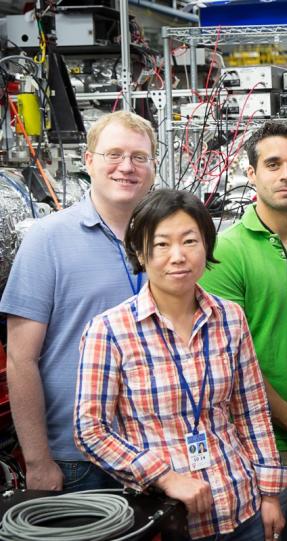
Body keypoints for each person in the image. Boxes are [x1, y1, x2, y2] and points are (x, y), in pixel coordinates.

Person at [75, 189, 287, 540]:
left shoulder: (230, 318)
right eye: (161, 245)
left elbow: (251, 410)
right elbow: (91, 430)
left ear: (206, 247)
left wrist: (269, 494)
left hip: (242, 507)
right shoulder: (110, 330)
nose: (178, 256)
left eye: (190, 241)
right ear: (141, 254)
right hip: (169, 519)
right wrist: (164, 476)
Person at [198, 121, 287, 540]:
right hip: (265, 444)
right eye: (273, 163)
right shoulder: (226, 251)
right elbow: (230, 360)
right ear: (251, 173)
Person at [0, 111, 156, 491]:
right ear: (88, 161)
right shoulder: (48, 239)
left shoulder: (162, 238)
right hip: (76, 460)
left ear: (153, 165)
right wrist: (38, 459)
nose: (126, 167)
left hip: (155, 448)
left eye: (139, 157)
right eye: (113, 154)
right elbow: (21, 358)